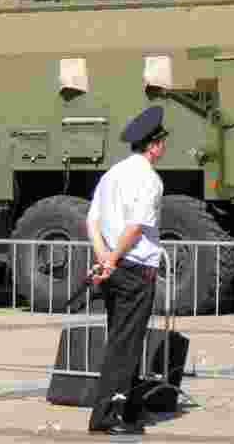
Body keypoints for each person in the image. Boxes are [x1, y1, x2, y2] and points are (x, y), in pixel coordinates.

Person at [85, 106, 169, 436]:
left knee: (124, 340)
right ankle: (106, 415)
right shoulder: (149, 179)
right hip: (135, 270)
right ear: (154, 145)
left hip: (116, 268)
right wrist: (113, 258)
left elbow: (91, 221)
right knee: (125, 344)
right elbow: (135, 227)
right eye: (162, 142)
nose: (163, 148)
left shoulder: (111, 175)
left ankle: (128, 407)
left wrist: (104, 257)